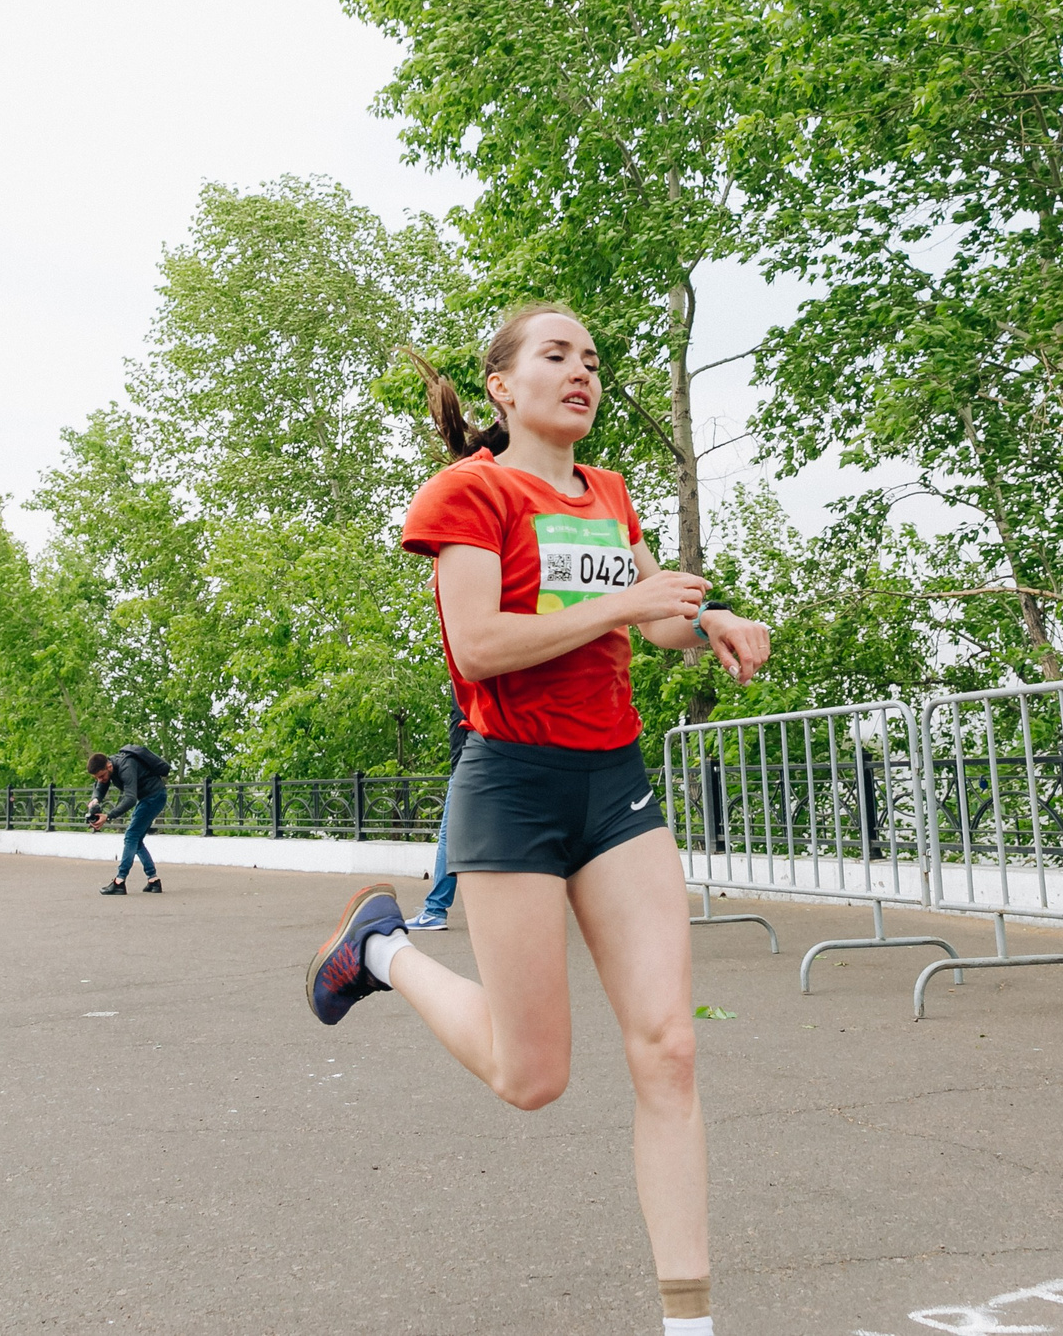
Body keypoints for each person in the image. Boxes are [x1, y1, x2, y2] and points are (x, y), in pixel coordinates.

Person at [305, 304, 771, 1336]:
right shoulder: (467, 492)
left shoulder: (606, 493)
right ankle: (380, 951)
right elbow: (477, 645)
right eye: (555, 356)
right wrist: (626, 602)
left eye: (593, 361)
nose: (582, 373)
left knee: (669, 1051)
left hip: (614, 786)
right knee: (533, 1078)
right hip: (511, 785)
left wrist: (707, 621)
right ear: (503, 386)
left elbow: (650, 627)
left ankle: (689, 1325)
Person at [404, 704, 471, 933]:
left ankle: (435, 910)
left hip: (469, 764)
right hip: (483, 762)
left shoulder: (467, 672)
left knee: (449, 836)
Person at [87, 745, 169, 895]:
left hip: (154, 796)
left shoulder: (126, 766)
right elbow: (101, 787)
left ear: (109, 766)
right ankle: (153, 880)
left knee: (131, 836)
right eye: (97, 777)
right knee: (136, 840)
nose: (100, 780)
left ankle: (119, 881)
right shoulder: (108, 767)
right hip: (147, 798)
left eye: (101, 776)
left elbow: (130, 798)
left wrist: (109, 816)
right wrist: (95, 799)